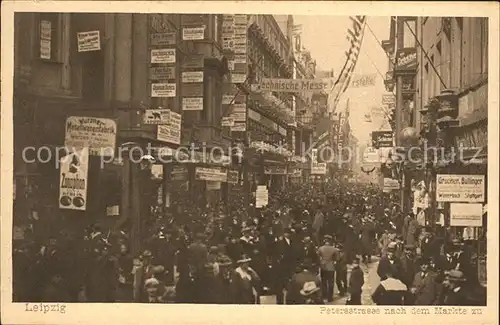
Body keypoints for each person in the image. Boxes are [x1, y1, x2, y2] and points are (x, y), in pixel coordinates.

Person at [317, 235, 338, 303]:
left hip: (323, 266)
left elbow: (317, 256)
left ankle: (324, 295)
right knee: (331, 282)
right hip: (331, 267)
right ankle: (330, 297)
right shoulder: (334, 249)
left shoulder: (321, 248)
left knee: (323, 282)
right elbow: (337, 258)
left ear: (325, 240)